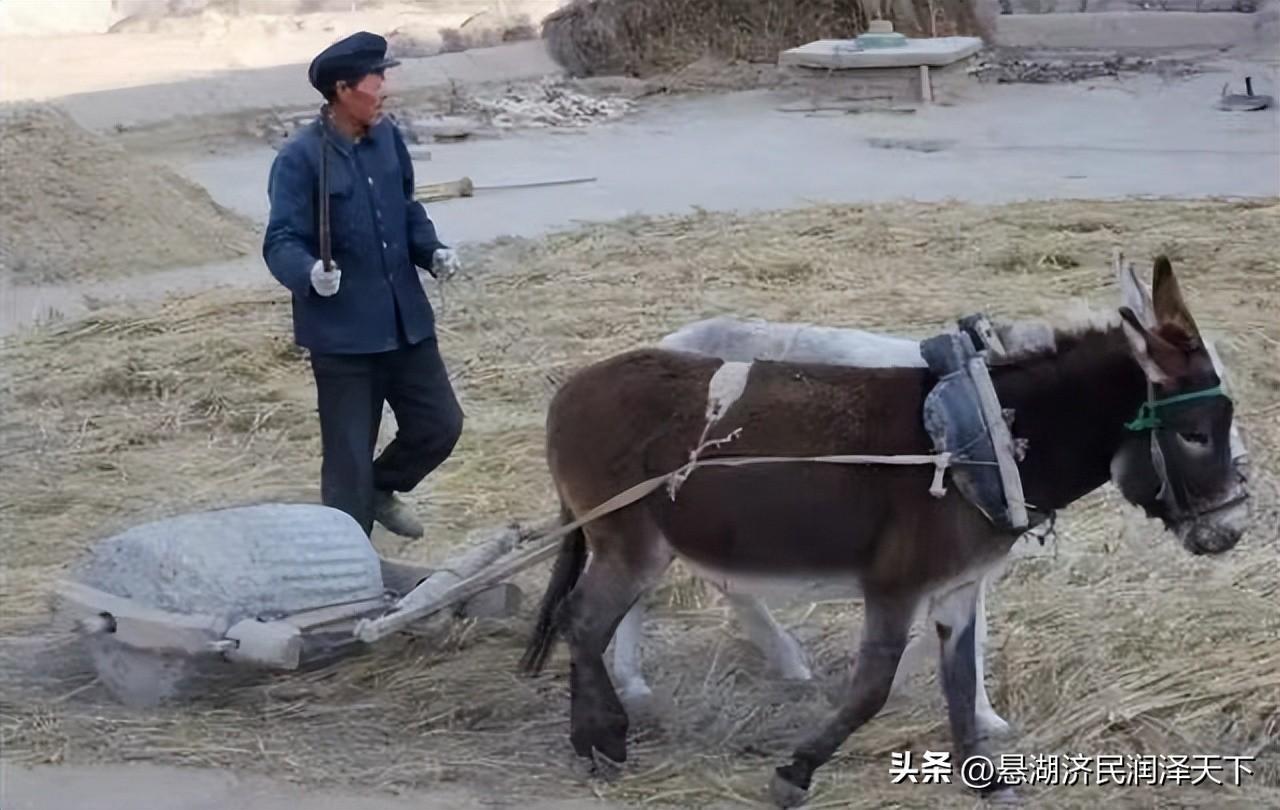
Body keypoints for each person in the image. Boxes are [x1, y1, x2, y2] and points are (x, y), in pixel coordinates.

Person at [263, 31, 464, 539]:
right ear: (344, 88)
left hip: (406, 323)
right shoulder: (300, 158)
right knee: (347, 461)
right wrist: (308, 272)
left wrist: (432, 250)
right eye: (378, 77)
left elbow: (407, 208)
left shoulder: (388, 139)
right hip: (344, 339)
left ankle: (382, 486)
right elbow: (280, 239)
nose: (386, 86)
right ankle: (351, 569)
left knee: (440, 425)